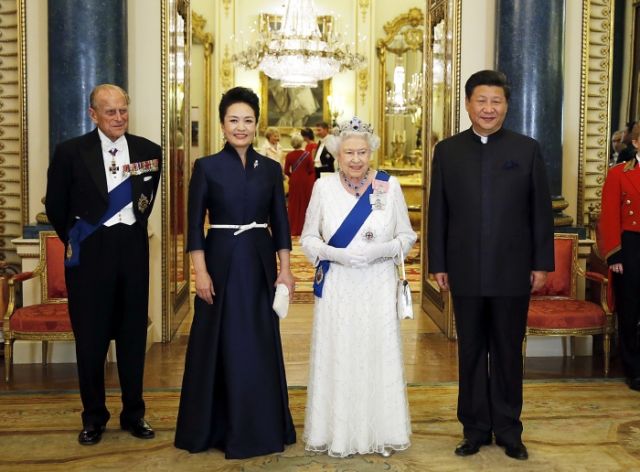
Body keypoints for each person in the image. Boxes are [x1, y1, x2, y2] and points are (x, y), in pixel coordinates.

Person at [427, 70, 554, 461]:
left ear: (506, 106)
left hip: (512, 270)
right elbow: (438, 212)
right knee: (470, 351)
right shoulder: (447, 151)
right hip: (463, 269)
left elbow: (540, 212)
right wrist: (438, 262)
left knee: (507, 352)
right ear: (468, 104)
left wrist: (541, 263)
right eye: (481, 100)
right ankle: (475, 428)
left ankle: (509, 430)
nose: (488, 108)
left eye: (496, 101)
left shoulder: (527, 149)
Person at [174, 86, 296, 459]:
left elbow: (281, 222)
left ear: (256, 124)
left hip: (259, 262)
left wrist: (286, 270)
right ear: (222, 124)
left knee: (257, 341)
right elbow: (194, 226)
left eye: (247, 120)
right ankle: (214, 427)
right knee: (220, 341)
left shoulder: (271, 169)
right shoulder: (206, 167)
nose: (240, 127)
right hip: (219, 260)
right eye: (233, 120)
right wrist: (200, 272)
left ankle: (262, 425)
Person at [45, 84, 161, 445]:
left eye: (123, 110)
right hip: (90, 253)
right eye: (110, 111)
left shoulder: (149, 151)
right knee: (91, 339)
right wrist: (78, 238)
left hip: (132, 250)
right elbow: (56, 205)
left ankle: (134, 414)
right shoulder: (70, 152)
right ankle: (93, 416)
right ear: (92, 114)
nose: (119, 117)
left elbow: (145, 201)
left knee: (132, 335)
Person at [301, 116, 416, 458]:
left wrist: (382, 250)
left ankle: (380, 430)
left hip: (377, 284)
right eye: (348, 152)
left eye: (362, 152)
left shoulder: (388, 186)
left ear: (371, 152)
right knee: (340, 352)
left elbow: (407, 236)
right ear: (337, 154)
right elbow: (308, 238)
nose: (355, 159)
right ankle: (337, 432)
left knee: (376, 352)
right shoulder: (323, 188)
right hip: (339, 284)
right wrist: (336, 253)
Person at [600, 122, 640, 392]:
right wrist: (615, 254)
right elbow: (609, 216)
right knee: (630, 311)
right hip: (631, 246)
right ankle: (634, 369)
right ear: (636, 143)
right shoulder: (619, 174)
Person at [284, 133, 315, 235]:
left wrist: (293, 175)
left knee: (293, 204)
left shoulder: (289, 155)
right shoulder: (307, 155)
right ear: (301, 142)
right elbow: (311, 170)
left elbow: (286, 171)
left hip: (294, 181)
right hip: (305, 181)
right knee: (304, 203)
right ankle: (304, 228)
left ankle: (292, 227)